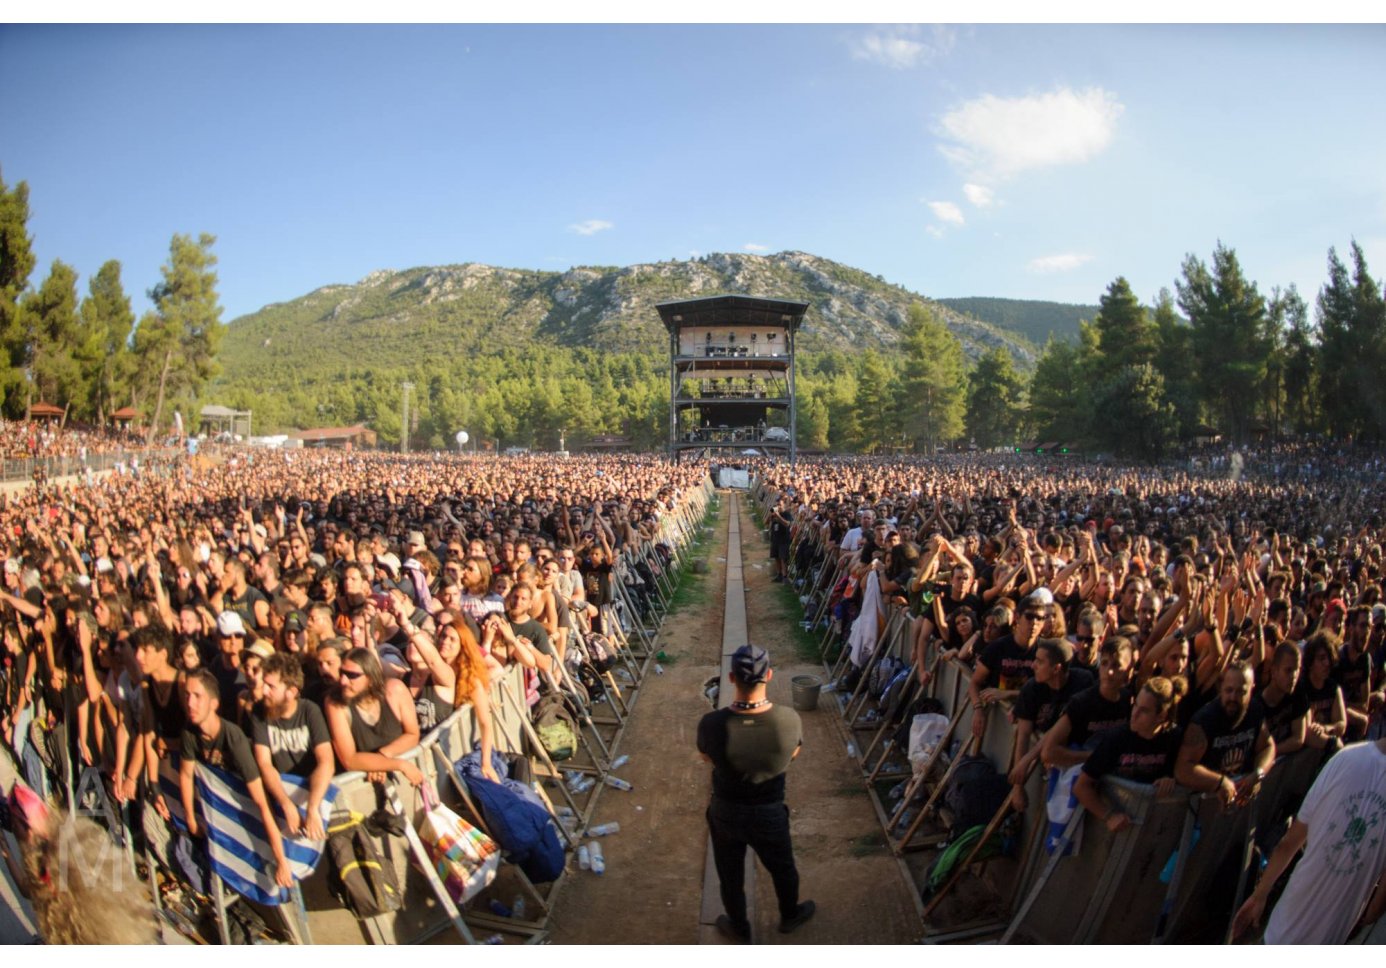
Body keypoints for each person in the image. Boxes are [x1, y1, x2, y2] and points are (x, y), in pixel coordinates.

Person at [697, 645, 815, 942]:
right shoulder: (788, 720)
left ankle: (740, 928)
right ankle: (789, 915)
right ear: (770, 675)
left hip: (726, 811)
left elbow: (706, 758)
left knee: (730, 875)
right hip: (769, 811)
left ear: (732, 678)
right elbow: (794, 754)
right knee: (783, 868)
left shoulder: (711, 724)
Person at [1232, 734, 1386, 943]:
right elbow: (1377, 905)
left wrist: (1260, 894)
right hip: (1330, 936)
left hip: (1285, 926)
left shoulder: (1346, 758)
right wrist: (1363, 917)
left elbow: (1290, 841)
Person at [251, 653, 333, 841]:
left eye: (271, 686)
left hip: (316, 795)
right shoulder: (259, 713)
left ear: (292, 691)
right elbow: (264, 763)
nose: (264, 691)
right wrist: (286, 804)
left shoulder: (310, 711)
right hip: (282, 796)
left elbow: (326, 762)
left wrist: (312, 807)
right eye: (264, 684)